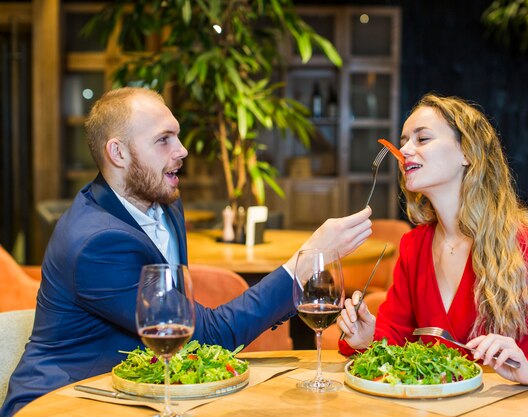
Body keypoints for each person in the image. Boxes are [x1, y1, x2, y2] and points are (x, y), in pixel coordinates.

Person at [1, 87, 372, 416]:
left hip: (139, 393)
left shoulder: (165, 203)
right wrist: (305, 260)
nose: (182, 150)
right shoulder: (95, 242)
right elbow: (204, 334)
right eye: (164, 140)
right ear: (118, 153)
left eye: (177, 136)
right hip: (64, 400)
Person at [337, 93, 528, 397]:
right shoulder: (414, 245)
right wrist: (366, 338)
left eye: (422, 139)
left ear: (467, 153)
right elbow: (396, 336)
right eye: (404, 141)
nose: (404, 150)